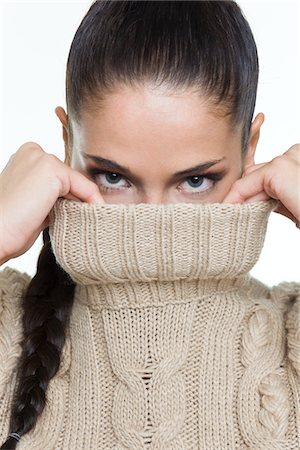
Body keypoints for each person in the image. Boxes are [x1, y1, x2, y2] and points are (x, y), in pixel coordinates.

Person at [0, 1, 299, 449]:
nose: (152, 221)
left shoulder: (291, 342)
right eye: (113, 177)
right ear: (66, 142)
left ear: (250, 147)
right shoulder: (8, 329)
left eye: (196, 180)